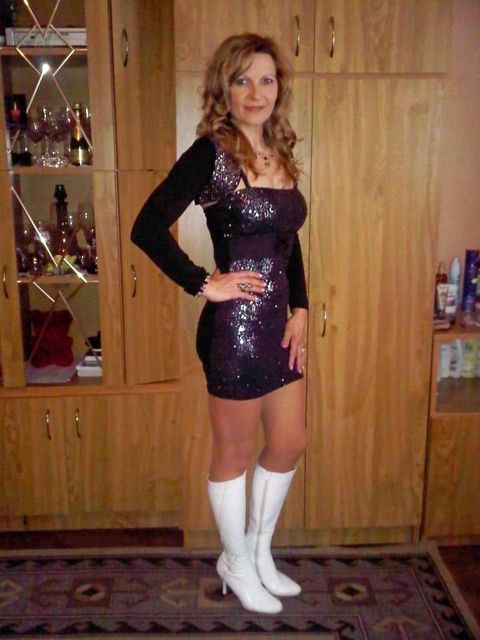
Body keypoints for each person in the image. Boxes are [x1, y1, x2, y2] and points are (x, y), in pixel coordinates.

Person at [131, 33, 308, 615]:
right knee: (234, 450)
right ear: (223, 90)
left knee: (290, 441)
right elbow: (147, 226)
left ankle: (257, 552)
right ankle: (233, 559)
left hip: (280, 326)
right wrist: (204, 282)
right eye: (242, 80)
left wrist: (302, 308)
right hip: (232, 331)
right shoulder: (210, 154)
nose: (256, 92)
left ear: (279, 88)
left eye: (266, 79)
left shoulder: (280, 153)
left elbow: (288, 242)